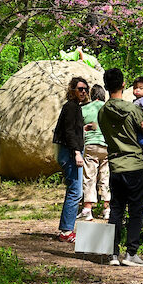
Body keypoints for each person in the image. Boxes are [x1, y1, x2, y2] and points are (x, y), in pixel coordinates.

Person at [98, 68, 143, 267]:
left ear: (106, 87)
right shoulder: (133, 109)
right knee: (136, 211)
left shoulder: (102, 112)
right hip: (135, 166)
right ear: (124, 85)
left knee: (116, 210)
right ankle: (131, 254)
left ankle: (113, 254)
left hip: (115, 166)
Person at [52, 77, 87, 242]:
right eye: (80, 89)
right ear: (72, 90)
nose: (83, 92)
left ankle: (66, 229)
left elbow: (71, 128)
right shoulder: (71, 107)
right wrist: (77, 152)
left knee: (75, 190)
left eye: (85, 89)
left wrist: (83, 128)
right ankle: (66, 231)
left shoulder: (73, 108)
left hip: (69, 151)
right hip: (70, 153)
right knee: (75, 191)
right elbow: (68, 132)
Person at [79, 84, 111, 221]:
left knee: (89, 176)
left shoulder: (84, 109)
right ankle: (107, 209)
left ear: (92, 95)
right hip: (106, 146)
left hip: (91, 145)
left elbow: (79, 128)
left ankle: (87, 209)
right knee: (105, 177)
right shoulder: (108, 109)